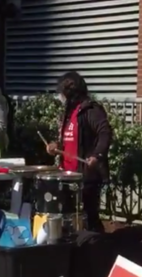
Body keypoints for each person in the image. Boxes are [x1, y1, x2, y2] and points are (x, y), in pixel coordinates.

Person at [46, 72, 112, 233]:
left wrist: (97, 155)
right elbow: (68, 139)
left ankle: (97, 247)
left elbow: (105, 132)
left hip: (85, 174)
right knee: (69, 217)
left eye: (62, 92)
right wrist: (55, 146)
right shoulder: (68, 112)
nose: (60, 96)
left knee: (89, 217)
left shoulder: (90, 110)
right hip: (66, 173)